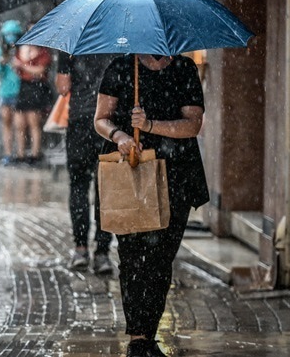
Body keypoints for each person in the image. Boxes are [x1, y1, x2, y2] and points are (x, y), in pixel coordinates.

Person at [94, 53, 209, 357]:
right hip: (130, 173)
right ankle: (137, 338)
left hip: (177, 177)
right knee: (132, 258)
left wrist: (149, 125)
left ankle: (148, 333)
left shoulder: (184, 68)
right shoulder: (121, 67)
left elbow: (192, 125)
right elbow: (101, 120)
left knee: (160, 259)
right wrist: (120, 136)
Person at [56, 54, 113, 274]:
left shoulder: (72, 42)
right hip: (109, 124)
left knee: (79, 185)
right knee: (105, 188)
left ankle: (80, 249)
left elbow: (62, 87)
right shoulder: (119, 38)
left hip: (80, 121)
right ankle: (102, 252)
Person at [11, 23, 52, 165]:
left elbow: (40, 71)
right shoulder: (22, 49)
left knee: (34, 122)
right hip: (24, 87)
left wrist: (23, 66)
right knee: (19, 122)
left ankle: (35, 154)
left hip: (36, 88)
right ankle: (20, 153)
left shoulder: (43, 51)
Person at [0, 20, 23, 166]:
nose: (11, 38)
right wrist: (2, 62)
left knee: (19, 125)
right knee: (7, 123)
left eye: (14, 34)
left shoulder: (22, 50)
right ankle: (8, 153)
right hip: (5, 92)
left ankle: (20, 153)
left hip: (20, 91)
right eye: (8, 35)